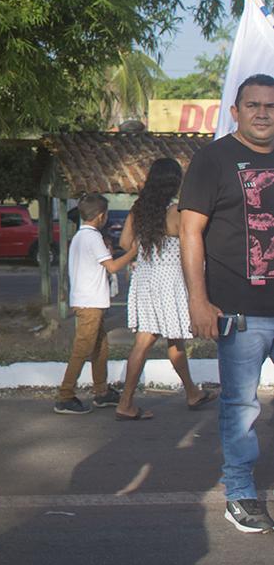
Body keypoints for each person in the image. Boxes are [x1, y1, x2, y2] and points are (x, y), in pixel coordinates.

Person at [180, 72, 274, 533]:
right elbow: (190, 231)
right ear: (235, 112)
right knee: (240, 405)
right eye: (253, 105)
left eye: (270, 106)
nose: (262, 113)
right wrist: (199, 300)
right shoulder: (212, 160)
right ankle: (240, 492)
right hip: (240, 309)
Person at [116, 158, 216, 421]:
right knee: (146, 342)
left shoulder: (139, 209)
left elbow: (125, 242)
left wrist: (145, 249)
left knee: (173, 339)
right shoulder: (176, 212)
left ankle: (192, 393)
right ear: (174, 182)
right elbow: (190, 245)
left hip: (146, 280)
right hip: (168, 283)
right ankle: (125, 403)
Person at [55, 192, 137, 414]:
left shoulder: (81, 237)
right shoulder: (93, 237)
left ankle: (101, 391)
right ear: (101, 216)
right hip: (90, 304)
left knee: (100, 347)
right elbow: (112, 267)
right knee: (82, 349)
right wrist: (133, 252)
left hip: (88, 302)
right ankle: (65, 395)